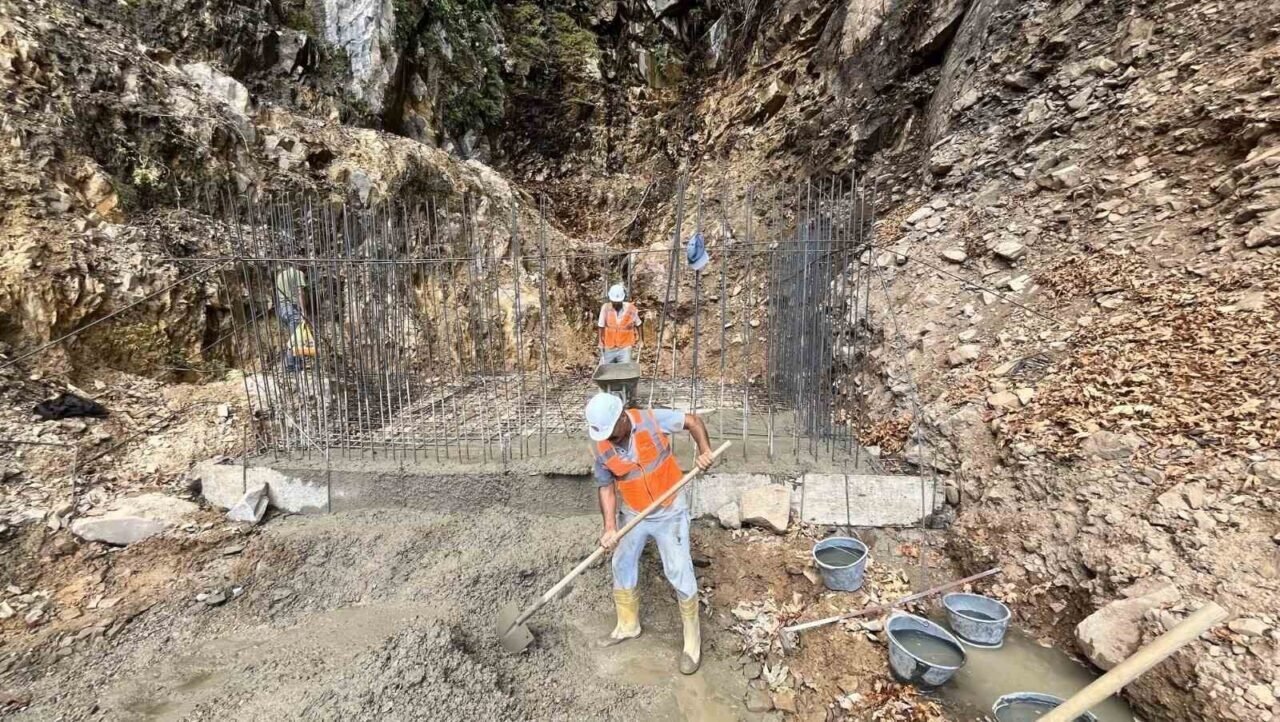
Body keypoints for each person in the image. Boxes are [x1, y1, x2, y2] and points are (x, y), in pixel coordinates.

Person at [584, 391, 716, 674]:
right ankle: (627, 625)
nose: (609, 439)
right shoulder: (602, 445)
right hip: (634, 513)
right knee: (621, 562)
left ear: (622, 417)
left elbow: (693, 421)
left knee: (678, 569)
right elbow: (606, 487)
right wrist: (610, 527)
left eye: (612, 432)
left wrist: (705, 451)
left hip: (669, 509)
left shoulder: (651, 420)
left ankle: (692, 642)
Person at [273, 264, 307, 372]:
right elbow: (300, 292)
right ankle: (290, 364)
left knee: (294, 337)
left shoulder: (280, 275)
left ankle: (295, 363)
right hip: (292, 308)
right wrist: (303, 311)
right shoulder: (298, 273)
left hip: (282, 309)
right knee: (296, 339)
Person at [597, 284, 640, 364]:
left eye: (618, 302)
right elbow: (601, 325)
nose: (616, 304)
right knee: (605, 368)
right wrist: (600, 341)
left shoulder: (631, 308)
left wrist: (641, 340)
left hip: (625, 345)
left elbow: (639, 324)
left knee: (624, 369)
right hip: (609, 345)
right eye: (614, 302)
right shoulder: (605, 308)